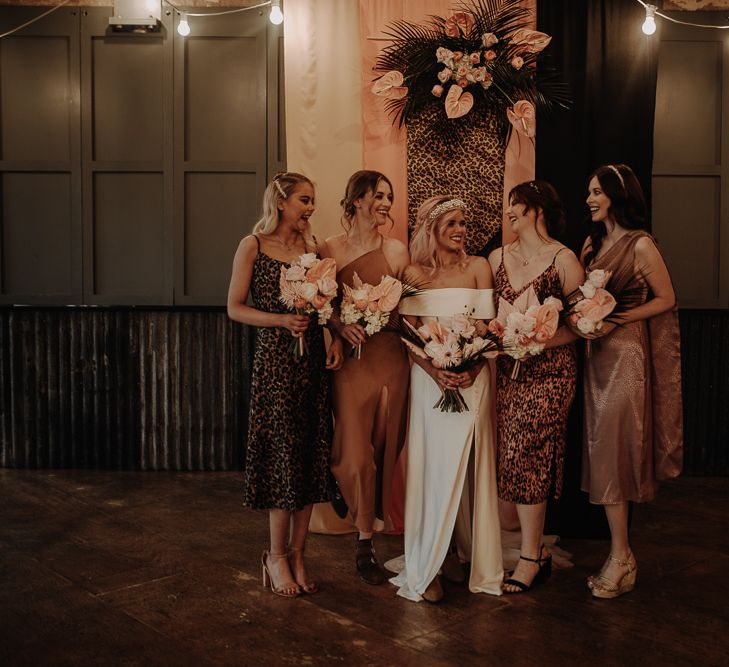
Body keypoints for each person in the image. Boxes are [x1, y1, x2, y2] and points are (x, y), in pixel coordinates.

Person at [227, 172, 343, 598]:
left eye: (313, 201)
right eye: (304, 200)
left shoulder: (315, 250)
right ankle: (274, 556)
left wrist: (334, 339)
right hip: (275, 362)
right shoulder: (252, 246)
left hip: (311, 359)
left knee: (311, 452)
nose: (310, 208)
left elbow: (327, 306)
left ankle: (297, 553)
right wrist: (280, 319)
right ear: (281, 202)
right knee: (282, 454)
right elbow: (234, 308)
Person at [391, 196, 503, 603]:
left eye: (463, 222)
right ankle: (432, 562)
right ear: (431, 229)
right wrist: (436, 371)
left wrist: (472, 368)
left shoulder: (478, 267)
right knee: (434, 467)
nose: (460, 230)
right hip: (429, 382)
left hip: (473, 380)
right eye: (451, 223)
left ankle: (458, 551)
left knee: (468, 467)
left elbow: (490, 327)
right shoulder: (413, 273)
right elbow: (407, 338)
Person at [578, 163, 683, 599]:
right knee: (603, 452)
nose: (589, 199)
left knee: (615, 454)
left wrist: (614, 317)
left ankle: (621, 556)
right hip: (596, 359)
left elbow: (667, 299)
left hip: (627, 361)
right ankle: (621, 554)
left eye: (597, 191)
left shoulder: (640, 246)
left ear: (618, 196)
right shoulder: (591, 245)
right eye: (588, 192)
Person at [487, 180, 584, 594]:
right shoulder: (496, 257)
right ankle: (536, 552)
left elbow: (581, 324)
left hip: (552, 373)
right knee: (513, 454)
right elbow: (487, 314)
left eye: (516, 205)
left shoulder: (564, 259)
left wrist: (537, 341)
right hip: (509, 375)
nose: (508, 212)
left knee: (528, 450)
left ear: (536, 209)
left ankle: (530, 556)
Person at [319, 170, 410, 585]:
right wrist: (338, 327)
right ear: (356, 200)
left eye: (390, 196)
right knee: (355, 454)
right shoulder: (329, 248)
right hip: (352, 363)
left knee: (381, 447)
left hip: (390, 358)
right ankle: (351, 509)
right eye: (379, 195)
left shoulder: (397, 251)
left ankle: (365, 539)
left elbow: (410, 311)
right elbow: (321, 303)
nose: (387, 203)